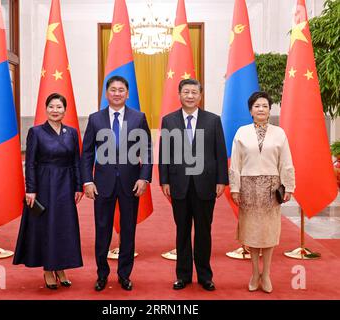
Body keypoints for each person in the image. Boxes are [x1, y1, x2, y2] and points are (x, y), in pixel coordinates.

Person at [81, 75, 152, 291]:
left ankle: (124, 274)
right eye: (113, 89)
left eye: (121, 90)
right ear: (106, 93)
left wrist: (144, 177)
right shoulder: (95, 119)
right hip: (102, 184)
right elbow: (86, 154)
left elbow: (147, 151)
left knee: (128, 230)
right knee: (102, 230)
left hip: (131, 183)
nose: (117, 93)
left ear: (127, 93)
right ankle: (102, 274)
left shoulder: (138, 117)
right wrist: (87, 181)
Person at [159, 79, 228, 291]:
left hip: (205, 184)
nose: (190, 96)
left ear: (200, 96)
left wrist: (221, 180)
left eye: (194, 92)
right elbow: (165, 153)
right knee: (182, 231)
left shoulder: (213, 120)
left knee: (203, 232)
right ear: (179, 95)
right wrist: (164, 180)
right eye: (186, 92)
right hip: (179, 183)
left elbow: (219, 153)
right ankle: (183, 275)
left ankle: (205, 276)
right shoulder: (169, 120)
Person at [13, 93, 84, 290]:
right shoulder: (36, 132)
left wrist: (78, 186)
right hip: (44, 185)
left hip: (66, 185)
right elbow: (31, 163)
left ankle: (60, 267)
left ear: (65, 110)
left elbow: (76, 161)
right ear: (46, 109)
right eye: (51, 107)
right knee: (46, 226)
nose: (55, 110)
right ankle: (47, 269)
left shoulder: (71, 133)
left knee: (64, 226)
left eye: (59, 107)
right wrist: (31, 190)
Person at [229, 91, 295, 293]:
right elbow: (235, 163)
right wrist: (235, 188)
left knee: (268, 234)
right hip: (248, 188)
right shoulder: (241, 132)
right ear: (251, 110)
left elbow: (286, 161)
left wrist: (289, 185)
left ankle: (266, 274)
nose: (261, 109)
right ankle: (254, 273)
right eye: (257, 106)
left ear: (269, 109)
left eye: (265, 106)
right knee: (252, 233)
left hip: (271, 188)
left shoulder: (279, 133)